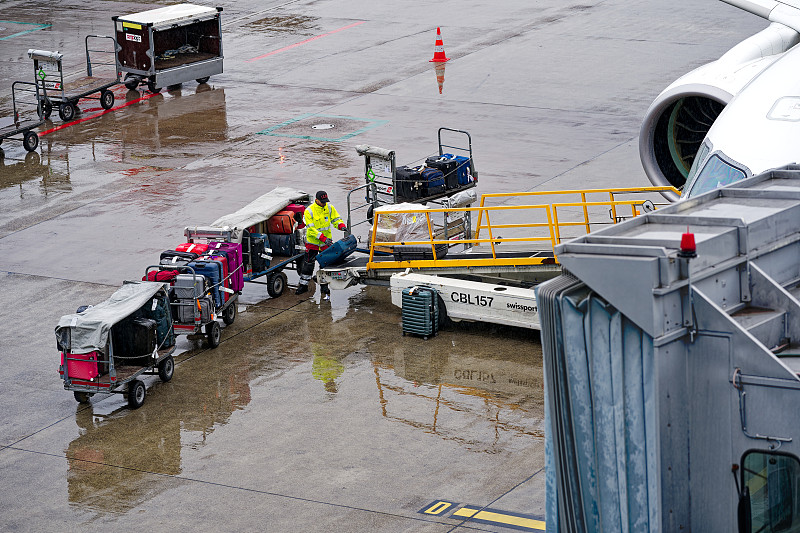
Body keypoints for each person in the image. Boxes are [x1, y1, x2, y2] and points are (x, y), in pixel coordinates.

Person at [296, 190, 347, 298]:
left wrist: (340, 225)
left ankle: (324, 287)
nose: (324, 203)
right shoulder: (309, 211)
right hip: (313, 242)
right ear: (316, 200)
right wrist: (323, 238)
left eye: (325, 201)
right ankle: (303, 286)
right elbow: (311, 228)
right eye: (322, 201)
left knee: (325, 265)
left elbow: (336, 219)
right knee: (308, 264)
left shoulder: (329, 207)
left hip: (325, 242)